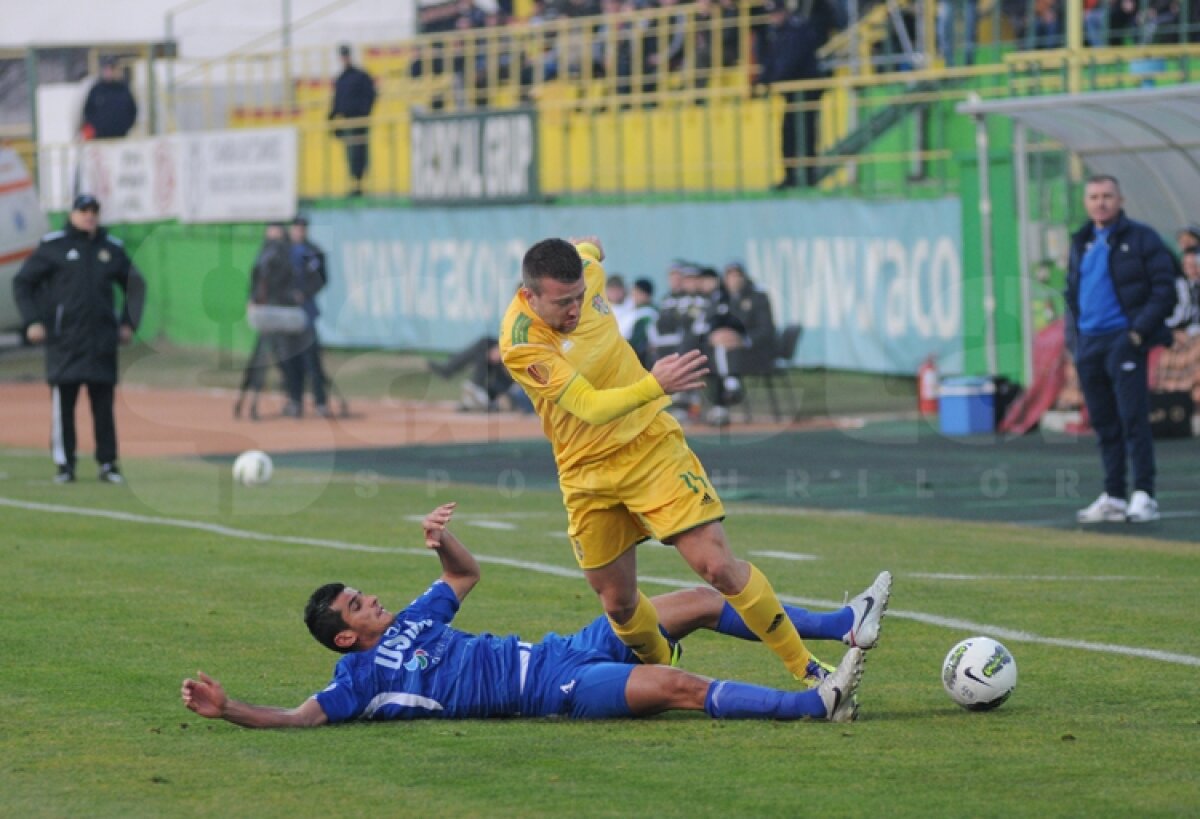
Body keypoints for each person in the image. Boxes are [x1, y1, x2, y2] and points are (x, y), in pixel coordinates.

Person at [499, 237, 892, 684]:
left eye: (578, 298)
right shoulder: (521, 342)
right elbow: (588, 406)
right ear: (530, 296)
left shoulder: (588, 274)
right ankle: (662, 667)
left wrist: (589, 246)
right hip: (584, 472)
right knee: (618, 603)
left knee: (717, 566)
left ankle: (811, 672)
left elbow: (589, 250)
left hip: (650, 448)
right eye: (561, 303)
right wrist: (655, 383)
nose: (574, 309)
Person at [181, 503, 881, 728]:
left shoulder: (413, 621)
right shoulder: (360, 678)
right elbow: (299, 719)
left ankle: (841, 623)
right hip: (554, 691)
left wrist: (440, 539)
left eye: (365, 593)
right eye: (359, 604)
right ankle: (813, 705)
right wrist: (230, 706)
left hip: (560, 646)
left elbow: (464, 573)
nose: (374, 601)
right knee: (679, 687)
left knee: (698, 600)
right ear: (344, 633)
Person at [1067, 175, 1178, 524]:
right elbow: (1072, 293)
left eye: (1107, 196)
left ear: (1121, 199)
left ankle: (1144, 495)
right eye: (1094, 196)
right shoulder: (1081, 241)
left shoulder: (1142, 238)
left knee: (1133, 419)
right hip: (1089, 343)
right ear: (1086, 202)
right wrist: (1076, 341)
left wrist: (1137, 332)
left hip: (1123, 339)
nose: (1100, 202)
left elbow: (1166, 289)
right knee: (1104, 423)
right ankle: (1114, 495)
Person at [11, 194, 145, 483]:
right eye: (83, 210)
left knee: (103, 408)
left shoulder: (111, 249)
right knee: (64, 407)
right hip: (65, 341)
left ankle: (108, 464)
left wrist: (128, 323)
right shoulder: (54, 247)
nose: (89, 216)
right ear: (72, 214)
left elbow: (136, 284)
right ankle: (65, 465)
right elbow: (23, 282)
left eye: (94, 211)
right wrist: (33, 321)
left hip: (101, 341)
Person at [758, 1, 824, 189]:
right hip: (792, 94)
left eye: (777, 13)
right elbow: (772, 60)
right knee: (789, 135)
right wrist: (762, 80)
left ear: (785, 12)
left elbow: (789, 61)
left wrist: (772, 79)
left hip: (806, 91)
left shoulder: (797, 30)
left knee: (806, 134)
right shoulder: (778, 33)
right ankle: (790, 177)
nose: (774, 17)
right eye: (771, 14)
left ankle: (808, 177)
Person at [289, 216, 330, 417]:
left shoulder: (313, 251)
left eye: (302, 227)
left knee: (312, 360)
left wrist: (304, 293)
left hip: (306, 312)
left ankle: (320, 402)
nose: (299, 231)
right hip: (285, 314)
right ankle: (294, 401)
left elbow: (322, 279)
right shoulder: (283, 251)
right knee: (290, 360)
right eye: (296, 227)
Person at [429, 336, 531, 412]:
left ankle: (477, 392)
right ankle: (477, 393)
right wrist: (501, 349)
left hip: (519, 376)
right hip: (510, 366)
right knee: (486, 344)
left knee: (486, 346)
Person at [328, 45, 377, 197]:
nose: (344, 58)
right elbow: (337, 101)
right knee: (351, 154)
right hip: (348, 121)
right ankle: (355, 185)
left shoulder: (361, 76)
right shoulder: (341, 78)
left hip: (360, 120)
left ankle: (361, 185)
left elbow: (371, 95)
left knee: (360, 153)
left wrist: (364, 112)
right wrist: (332, 118)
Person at [81, 58, 137, 140]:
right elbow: (88, 110)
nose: (109, 72)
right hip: (99, 139)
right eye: (106, 69)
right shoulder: (96, 89)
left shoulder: (124, 89)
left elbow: (132, 111)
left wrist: (125, 127)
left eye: (111, 69)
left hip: (120, 137)